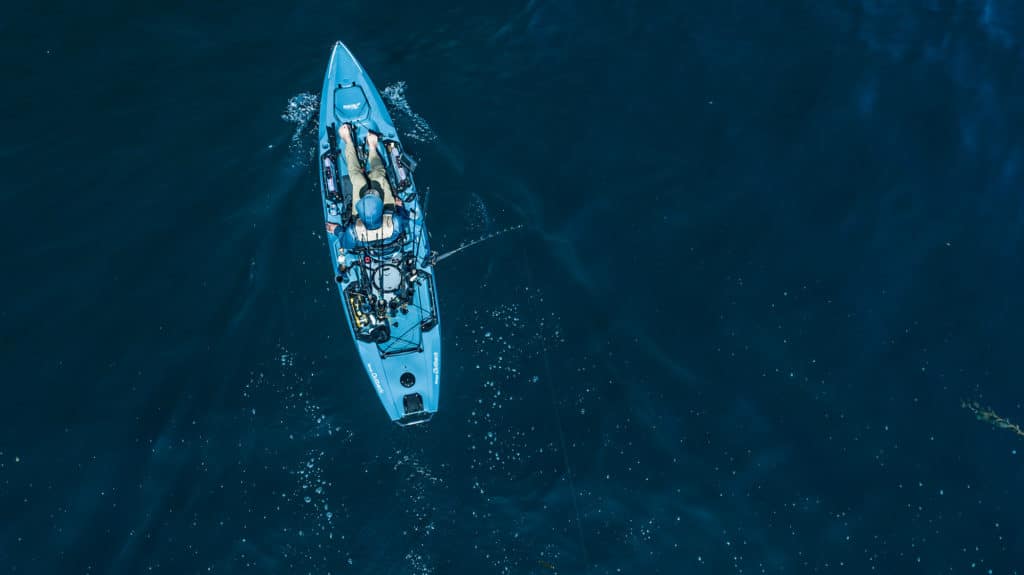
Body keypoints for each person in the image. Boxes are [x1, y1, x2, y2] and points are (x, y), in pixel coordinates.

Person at [325, 124, 405, 247]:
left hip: (370, 222)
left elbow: (344, 242)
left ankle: (348, 141)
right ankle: (372, 148)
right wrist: (399, 207)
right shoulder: (396, 222)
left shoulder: (353, 232)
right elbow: (405, 217)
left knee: (358, 180)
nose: (370, 191)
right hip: (387, 212)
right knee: (378, 177)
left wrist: (336, 229)